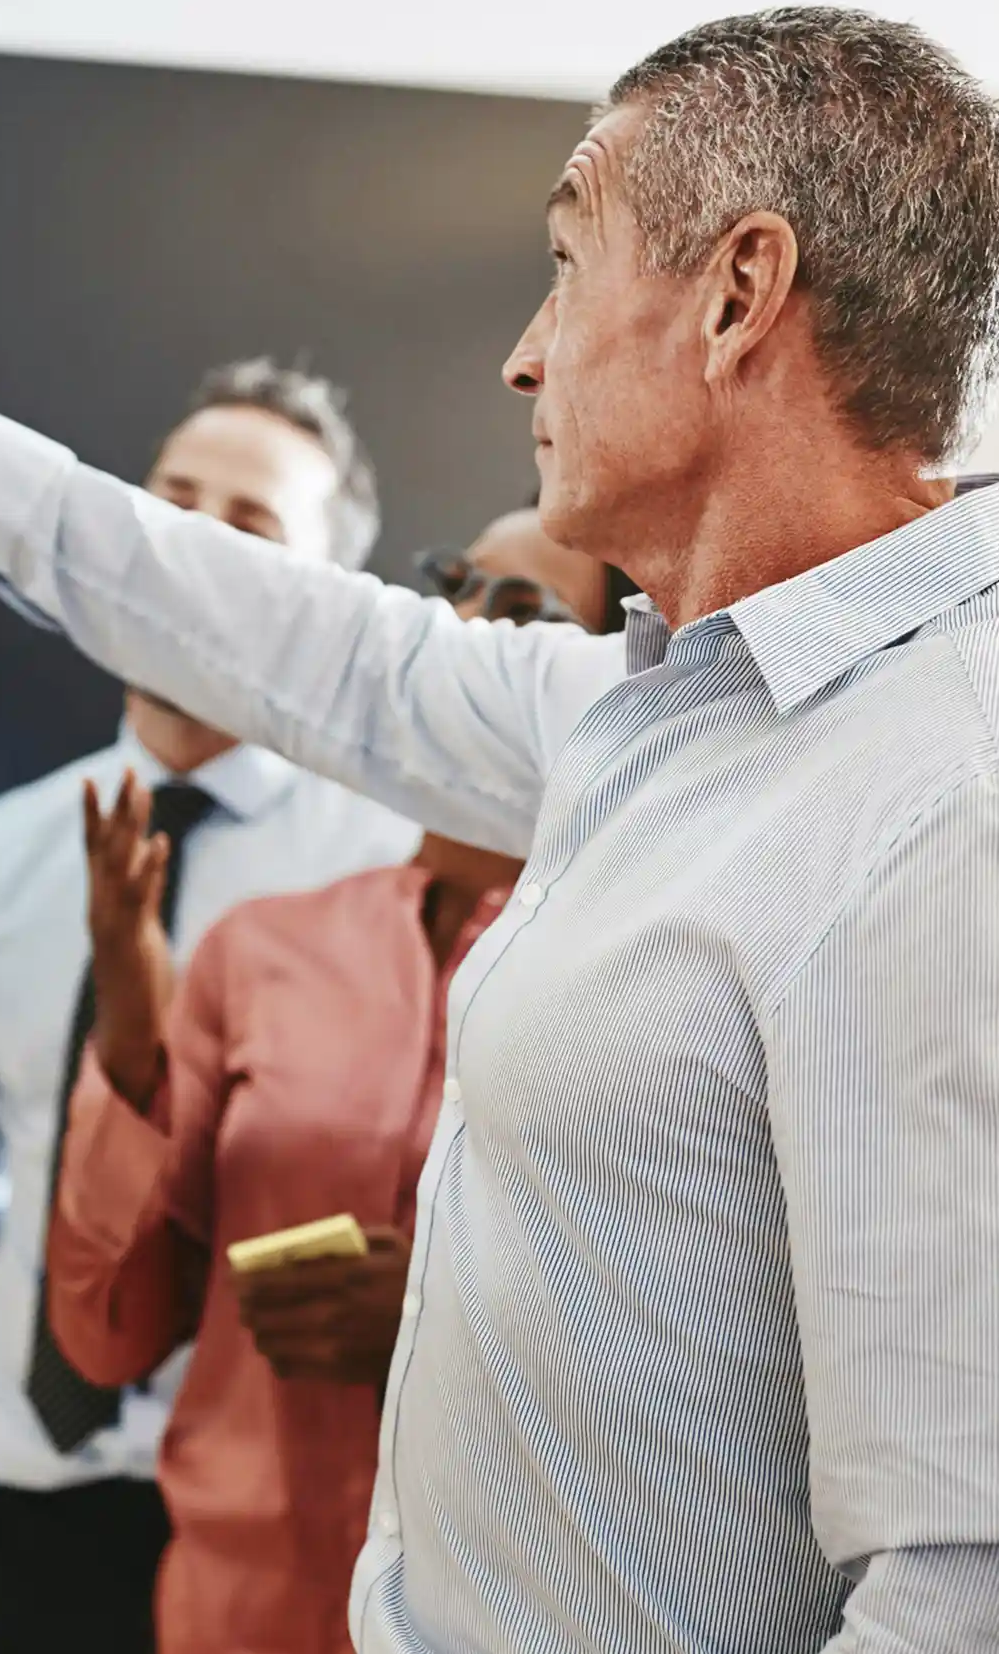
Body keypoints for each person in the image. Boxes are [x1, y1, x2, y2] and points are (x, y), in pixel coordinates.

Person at [0, 4, 999, 1651]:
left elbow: (998, 1578)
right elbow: (333, 655)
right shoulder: (662, 718)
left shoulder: (981, 792)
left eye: (568, 260)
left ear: (737, 295)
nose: (525, 351)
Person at [0, 360, 416, 1654]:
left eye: (249, 526)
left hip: (297, 1515)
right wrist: (62, 1315)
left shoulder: (397, 872)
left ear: (324, 592)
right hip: (28, 1496)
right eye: (169, 504)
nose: (187, 550)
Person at [43, 509, 600, 1654]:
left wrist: (454, 1327)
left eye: (520, 614)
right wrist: (133, 1046)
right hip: (237, 1611)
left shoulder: (643, 978)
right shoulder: (258, 953)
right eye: (452, 582)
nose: (457, 632)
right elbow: (108, 1335)